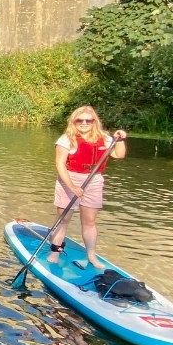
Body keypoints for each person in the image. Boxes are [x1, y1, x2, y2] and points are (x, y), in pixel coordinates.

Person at [48, 106, 127, 268]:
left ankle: (91, 255)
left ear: (94, 122)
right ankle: (55, 252)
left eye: (88, 120)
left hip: (94, 180)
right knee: (64, 219)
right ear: (74, 122)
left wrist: (120, 140)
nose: (84, 123)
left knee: (89, 221)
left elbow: (119, 155)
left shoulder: (104, 138)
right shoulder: (66, 139)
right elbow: (60, 164)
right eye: (80, 120)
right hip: (70, 178)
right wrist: (71, 186)